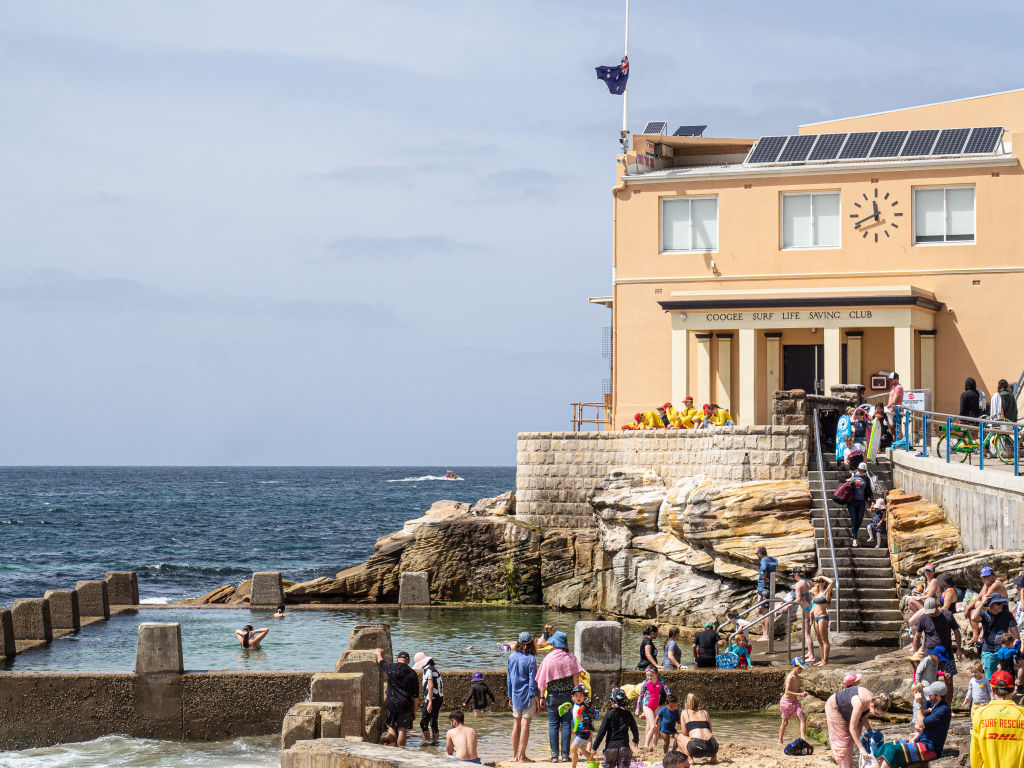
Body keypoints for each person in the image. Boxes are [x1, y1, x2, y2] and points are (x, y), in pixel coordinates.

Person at [874, 680, 950, 768]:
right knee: (887, 746)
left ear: (938, 696)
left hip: (930, 748)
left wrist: (918, 704)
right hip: (920, 741)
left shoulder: (942, 710)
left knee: (892, 750)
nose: (928, 695)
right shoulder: (934, 704)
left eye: (931, 693)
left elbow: (921, 724)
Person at [535, 630, 582, 763]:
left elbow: (542, 681)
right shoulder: (571, 657)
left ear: (554, 643)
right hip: (568, 696)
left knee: (553, 725)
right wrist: (577, 698)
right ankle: (566, 755)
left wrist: (542, 698)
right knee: (567, 724)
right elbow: (576, 683)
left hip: (552, 696)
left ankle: (554, 756)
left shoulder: (548, 658)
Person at [824, 684, 891, 768]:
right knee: (843, 740)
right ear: (872, 706)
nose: (877, 716)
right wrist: (861, 749)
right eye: (877, 713)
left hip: (847, 709)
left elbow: (864, 717)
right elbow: (852, 728)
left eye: (879, 715)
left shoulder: (874, 700)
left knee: (852, 739)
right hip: (834, 707)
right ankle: (843, 765)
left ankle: (848, 765)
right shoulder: (859, 703)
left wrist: (870, 731)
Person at [912, 597, 963, 704]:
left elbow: (957, 632)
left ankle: (948, 706)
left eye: (932, 612)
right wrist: (915, 655)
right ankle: (933, 706)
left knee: (948, 681)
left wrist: (958, 649)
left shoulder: (948, 615)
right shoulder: (923, 618)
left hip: (946, 655)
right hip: (930, 656)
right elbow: (917, 636)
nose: (930, 614)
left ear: (937, 607)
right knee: (930, 683)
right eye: (928, 612)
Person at [970, 669, 1024, 766]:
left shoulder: (979, 714)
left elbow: (975, 753)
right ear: (1012, 690)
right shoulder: (1022, 714)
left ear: (992, 690)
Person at [506, 630, 540, 763]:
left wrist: (510, 695)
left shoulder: (512, 657)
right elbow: (533, 681)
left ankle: (514, 755)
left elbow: (509, 678)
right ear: (530, 643)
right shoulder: (531, 659)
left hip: (515, 695)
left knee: (516, 724)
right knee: (525, 725)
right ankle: (522, 756)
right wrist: (536, 697)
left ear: (519, 643)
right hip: (527, 695)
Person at [375, 648, 419, 747]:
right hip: (405, 704)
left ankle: (391, 748)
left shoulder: (391, 668)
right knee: (402, 729)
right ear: (408, 661)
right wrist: (414, 711)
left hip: (392, 702)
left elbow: (381, 662)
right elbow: (416, 696)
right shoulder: (412, 673)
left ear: (397, 659)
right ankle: (401, 751)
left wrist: (379, 653)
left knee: (391, 726)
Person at [969, 593, 1020, 678]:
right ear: (991, 604)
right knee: (990, 678)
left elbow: (1014, 631)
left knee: (1006, 676)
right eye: (998, 603)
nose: (1001, 605)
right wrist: (982, 603)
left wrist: (1017, 647)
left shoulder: (1007, 614)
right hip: (988, 651)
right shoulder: (985, 614)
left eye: (1002, 603)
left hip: (1004, 650)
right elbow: (974, 617)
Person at [593, 688, 639, 768]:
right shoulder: (628, 714)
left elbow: (601, 732)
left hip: (611, 748)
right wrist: (635, 739)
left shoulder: (609, 714)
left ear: (611, 701)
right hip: (624, 748)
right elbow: (634, 728)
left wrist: (595, 747)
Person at [967, 566, 1008, 644]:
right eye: (984, 577)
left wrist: (985, 588)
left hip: (1001, 608)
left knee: (978, 605)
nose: (986, 579)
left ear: (993, 575)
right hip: (991, 607)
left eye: (988, 576)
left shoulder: (996, 584)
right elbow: (978, 597)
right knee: (972, 611)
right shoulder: (987, 584)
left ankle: (983, 632)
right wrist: (968, 609)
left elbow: (984, 600)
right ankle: (975, 636)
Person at [558, 685, 594, 768]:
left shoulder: (583, 707)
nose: (578, 697)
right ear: (572, 697)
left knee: (573, 749)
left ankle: (573, 767)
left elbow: (588, 719)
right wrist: (568, 709)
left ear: (584, 697)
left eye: (580, 695)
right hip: (581, 732)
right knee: (584, 751)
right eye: (576, 696)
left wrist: (582, 719)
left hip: (583, 732)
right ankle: (593, 763)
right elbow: (574, 711)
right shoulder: (575, 706)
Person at [412, 652, 444, 745]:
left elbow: (430, 685)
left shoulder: (428, 670)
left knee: (423, 723)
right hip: (439, 697)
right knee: (434, 721)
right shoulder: (435, 668)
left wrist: (429, 701)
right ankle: (435, 743)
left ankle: (426, 742)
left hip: (432, 698)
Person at [678, 692, 719, 764]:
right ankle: (714, 757)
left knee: (680, 737)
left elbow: (684, 733)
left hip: (696, 748)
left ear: (687, 703)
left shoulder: (684, 712)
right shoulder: (705, 712)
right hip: (713, 748)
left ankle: (690, 759)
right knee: (709, 737)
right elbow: (710, 730)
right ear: (698, 702)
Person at [635, 665, 669, 748]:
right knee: (653, 725)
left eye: (651, 675)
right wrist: (638, 708)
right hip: (647, 706)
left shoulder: (661, 681)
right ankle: (646, 746)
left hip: (656, 706)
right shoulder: (645, 683)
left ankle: (654, 746)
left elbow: (668, 691)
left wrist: (671, 702)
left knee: (657, 728)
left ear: (656, 674)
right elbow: (641, 695)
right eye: (647, 675)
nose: (649, 677)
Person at [779, 657, 809, 747]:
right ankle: (780, 740)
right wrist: (800, 695)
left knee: (803, 717)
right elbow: (787, 691)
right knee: (785, 722)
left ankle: (803, 739)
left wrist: (801, 692)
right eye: (799, 668)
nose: (800, 670)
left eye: (801, 668)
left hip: (795, 701)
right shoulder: (790, 677)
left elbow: (796, 689)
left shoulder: (798, 677)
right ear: (793, 666)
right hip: (786, 702)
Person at [791, 565, 817, 663]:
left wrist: (787, 606)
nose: (794, 577)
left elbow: (798, 599)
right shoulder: (810, 582)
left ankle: (812, 656)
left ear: (797, 575)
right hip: (811, 606)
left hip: (806, 609)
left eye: (794, 575)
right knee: (808, 632)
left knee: (806, 633)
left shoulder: (798, 584)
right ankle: (809, 653)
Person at [755, 546, 777, 641]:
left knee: (764, 612)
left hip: (764, 588)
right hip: (764, 588)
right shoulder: (770, 560)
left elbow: (763, 569)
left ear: (760, 553)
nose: (756, 556)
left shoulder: (764, 560)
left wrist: (764, 577)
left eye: (756, 554)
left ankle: (766, 635)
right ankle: (765, 633)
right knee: (758, 611)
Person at [810, 575, 834, 666]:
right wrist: (811, 617)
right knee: (819, 641)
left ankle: (825, 661)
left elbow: (832, 582)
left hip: (822, 617)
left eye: (822, 581)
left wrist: (822, 576)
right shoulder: (817, 592)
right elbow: (814, 607)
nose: (820, 582)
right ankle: (822, 659)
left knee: (824, 640)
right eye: (818, 581)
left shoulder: (826, 592)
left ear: (825, 582)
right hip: (815, 618)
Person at [847, 463, 872, 547]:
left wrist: (872, 501)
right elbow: (841, 480)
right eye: (861, 471)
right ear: (858, 469)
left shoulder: (866, 478)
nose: (862, 473)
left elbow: (869, 490)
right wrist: (849, 481)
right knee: (854, 519)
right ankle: (854, 539)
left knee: (860, 519)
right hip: (852, 501)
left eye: (863, 471)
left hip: (861, 501)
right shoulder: (852, 475)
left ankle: (855, 534)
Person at [887, 373, 904, 440]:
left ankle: (902, 444)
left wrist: (886, 407)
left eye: (892, 380)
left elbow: (894, 400)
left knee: (897, 429)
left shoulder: (898, 387)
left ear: (896, 379)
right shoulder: (894, 387)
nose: (890, 381)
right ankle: (896, 443)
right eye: (890, 380)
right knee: (892, 429)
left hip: (896, 411)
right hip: (892, 411)